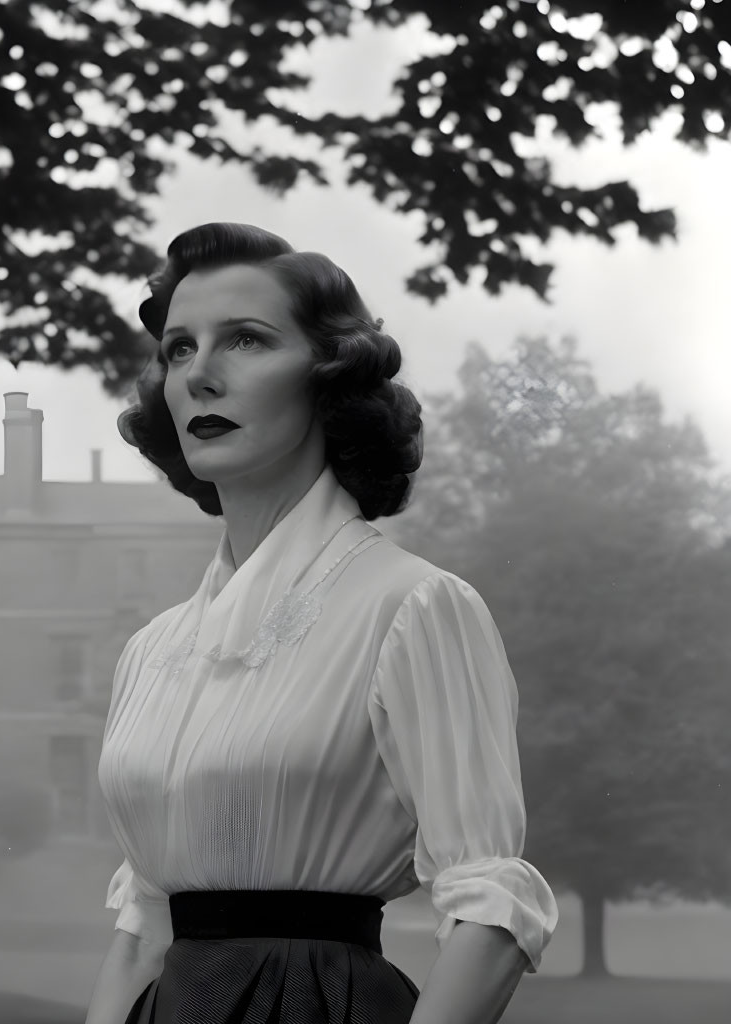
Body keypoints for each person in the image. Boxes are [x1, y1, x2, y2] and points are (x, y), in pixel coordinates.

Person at [84, 223, 558, 1024]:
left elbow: (491, 902)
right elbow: (144, 928)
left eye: (245, 340)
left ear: (328, 377)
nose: (201, 374)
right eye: (178, 349)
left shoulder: (412, 606)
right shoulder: (153, 650)